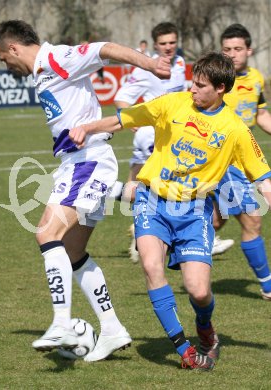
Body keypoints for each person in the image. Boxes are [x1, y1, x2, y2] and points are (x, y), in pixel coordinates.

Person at [69, 52, 271, 369]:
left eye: (201, 85)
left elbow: (262, 174)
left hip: (194, 212)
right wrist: (86, 128)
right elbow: (124, 119)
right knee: (152, 267)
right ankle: (184, 350)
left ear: (220, 88)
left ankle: (205, 329)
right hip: (153, 201)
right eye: (193, 82)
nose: (193, 89)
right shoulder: (172, 103)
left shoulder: (234, 130)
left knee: (199, 291)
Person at [0, 20, 171, 362]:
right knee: (71, 254)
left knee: (46, 232)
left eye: (2, 57)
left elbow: (104, 49)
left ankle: (62, 324)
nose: (5, 64)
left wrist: (147, 63)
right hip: (78, 163)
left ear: (12, 48)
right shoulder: (42, 71)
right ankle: (112, 328)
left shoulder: (56, 57)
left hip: (89, 161)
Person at [113, 22, 186, 263]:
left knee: (140, 185)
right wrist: (131, 120)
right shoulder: (146, 69)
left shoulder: (180, 64)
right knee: (152, 187)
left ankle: (141, 229)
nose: (168, 47)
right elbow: (122, 97)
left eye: (172, 42)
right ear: (155, 45)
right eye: (163, 43)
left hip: (174, 136)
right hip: (152, 136)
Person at [212, 24, 271, 300]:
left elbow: (259, 114)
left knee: (214, 221)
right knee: (253, 221)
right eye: (226, 49)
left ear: (249, 50)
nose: (232, 54)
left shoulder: (257, 78)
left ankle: (156, 245)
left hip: (246, 163)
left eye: (237, 49)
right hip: (224, 164)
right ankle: (268, 285)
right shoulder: (216, 81)